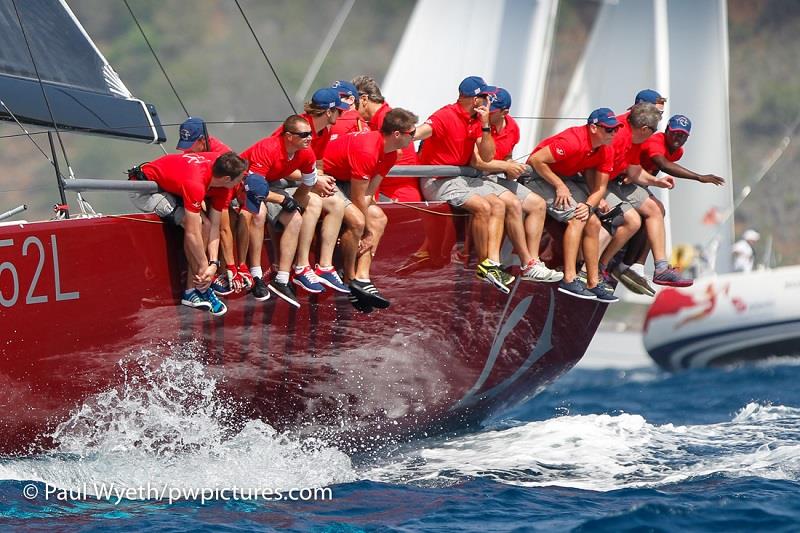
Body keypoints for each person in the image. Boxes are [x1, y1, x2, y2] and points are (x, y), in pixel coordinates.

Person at [415, 75, 518, 294]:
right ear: (474, 99)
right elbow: (419, 132)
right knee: (482, 207)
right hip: (437, 179)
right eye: (484, 96)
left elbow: (487, 157)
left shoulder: (476, 120)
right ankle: (485, 265)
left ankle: (493, 262)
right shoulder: (445, 115)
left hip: (461, 178)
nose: (487, 101)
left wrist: (485, 126)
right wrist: (398, 136)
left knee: (498, 205)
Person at [128, 151, 249, 316]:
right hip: (146, 190)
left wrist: (213, 263)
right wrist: (204, 266)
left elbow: (214, 226)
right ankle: (193, 290)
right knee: (198, 224)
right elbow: (192, 232)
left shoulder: (222, 181)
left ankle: (198, 287)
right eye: (240, 178)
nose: (242, 182)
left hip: (170, 188)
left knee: (206, 225)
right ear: (227, 179)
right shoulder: (196, 183)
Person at [324, 107, 418, 312]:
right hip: (326, 178)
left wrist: (371, 225)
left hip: (347, 179)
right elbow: (358, 197)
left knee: (379, 218)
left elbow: (369, 194)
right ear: (397, 134)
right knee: (358, 222)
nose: (414, 137)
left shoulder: (392, 154)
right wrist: (366, 231)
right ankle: (349, 279)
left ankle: (362, 277)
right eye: (412, 133)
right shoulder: (368, 150)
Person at [525, 108, 621, 301]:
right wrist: (559, 185)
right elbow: (536, 160)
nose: (613, 134)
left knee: (593, 222)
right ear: (593, 127)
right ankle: (569, 278)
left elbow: (600, 188)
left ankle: (592, 281)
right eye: (609, 130)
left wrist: (588, 205)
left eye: (616, 129)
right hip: (537, 177)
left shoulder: (606, 148)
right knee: (577, 219)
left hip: (564, 179)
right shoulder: (573, 141)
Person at [240, 115, 334, 307]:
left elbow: (308, 184)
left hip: (270, 185)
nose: (310, 138)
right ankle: (256, 275)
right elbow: (255, 188)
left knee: (296, 218)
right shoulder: (267, 148)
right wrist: (284, 200)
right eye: (304, 134)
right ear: (289, 136)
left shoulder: (306, 153)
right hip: (245, 184)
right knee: (259, 214)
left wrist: (295, 204)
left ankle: (281, 279)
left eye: (310, 134)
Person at [469, 88, 562, 282]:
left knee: (538, 204)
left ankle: (533, 262)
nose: (485, 111)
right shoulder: (480, 123)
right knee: (513, 203)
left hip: (496, 177)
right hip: (479, 177)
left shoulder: (512, 127)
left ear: (504, 112)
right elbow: (477, 161)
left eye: (491, 109)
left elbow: (507, 156)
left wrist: (511, 165)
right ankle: (526, 261)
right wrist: (506, 166)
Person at [599, 102, 692, 289]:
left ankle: (640, 266)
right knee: (643, 215)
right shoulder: (641, 138)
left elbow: (638, 170)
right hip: (613, 181)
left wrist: (655, 182)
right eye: (674, 132)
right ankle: (600, 268)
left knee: (656, 210)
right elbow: (661, 164)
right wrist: (700, 177)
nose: (678, 138)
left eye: (683, 135)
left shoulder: (674, 151)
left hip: (631, 180)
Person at [175, 116, 252, 297]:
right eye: (183, 147)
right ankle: (206, 273)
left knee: (225, 220)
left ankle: (230, 268)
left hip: (227, 189)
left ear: (203, 141)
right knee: (200, 222)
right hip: (204, 189)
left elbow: (221, 225)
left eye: (190, 146)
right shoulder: (192, 153)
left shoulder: (222, 154)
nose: (186, 151)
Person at [353, 75, 423, 202]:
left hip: (396, 194)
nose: (351, 109)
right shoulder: (384, 115)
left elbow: (397, 153)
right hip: (395, 189)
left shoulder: (385, 118)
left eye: (354, 103)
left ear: (363, 99)